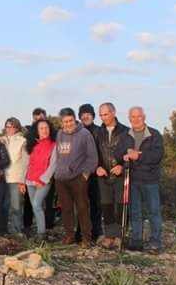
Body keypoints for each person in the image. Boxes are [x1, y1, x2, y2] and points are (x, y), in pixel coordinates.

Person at [117, 106, 165, 252]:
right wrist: (123, 156)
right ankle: (136, 240)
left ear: (144, 117)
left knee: (153, 211)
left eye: (139, 116)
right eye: (133, 117)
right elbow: (117, 153)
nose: (136, 119)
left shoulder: (154, 135)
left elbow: (157, 156)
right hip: (132, 179)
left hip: (150, 180)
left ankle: (155, 242)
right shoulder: (125, 136)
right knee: (135, 211)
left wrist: (139, 156)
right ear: (129, 118)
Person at [54, 108, 98, 248]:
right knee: (66, 209)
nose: (68, 124)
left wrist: (85, 174)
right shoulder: (60, 134)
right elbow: (58, 155)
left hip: (78, 178)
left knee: (82, 208)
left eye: (70, 120)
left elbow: (92, 157)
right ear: (61, 123)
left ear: (75, 119)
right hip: (61, 178)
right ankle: (69, 235)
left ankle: (86, 238)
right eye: (65, 121)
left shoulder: (85, 134)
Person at [95, 103, 130, 250]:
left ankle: (120, 237)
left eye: (106, 114)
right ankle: (109, 236)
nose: (104, 117)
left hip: (120, 175)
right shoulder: (97, 132)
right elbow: (93, 153)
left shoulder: (126, 131)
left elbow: (131, 153)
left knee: (120, 206)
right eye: (101, 115)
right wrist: (97, 167)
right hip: (103, 175)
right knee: (107, 206)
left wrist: (122, 166)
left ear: (113, 112)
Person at [21, 119, 57, 241]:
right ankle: (39, 231)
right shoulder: (33, 145)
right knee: (35, 206)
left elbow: (53, 165)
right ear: (37, 130)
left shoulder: (54, 145)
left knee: (37, 204)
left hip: (43, 181)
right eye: (41, 128)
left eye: (46, 128)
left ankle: (41, 234)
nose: (44, 130)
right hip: (30, 180)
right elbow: (27, 165)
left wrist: (42, 180)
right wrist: (23, 181)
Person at [0, 117, 27, 235]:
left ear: (17, 128)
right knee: (4, 206)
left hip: (16, 179)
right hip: (3, 178)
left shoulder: (22, 141)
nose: (9, 129)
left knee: (16, 207)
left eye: (12, 126)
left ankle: (17, 231)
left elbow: (26, 163)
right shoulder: (1, 140)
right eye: (7, 126)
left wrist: (23, 180)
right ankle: (4, 230)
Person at [78, 103, 102, 241]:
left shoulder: (99, 131)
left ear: (93, 116)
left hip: (96, 174)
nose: (85, 116)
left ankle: (97, 231)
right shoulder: (77, 132)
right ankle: (80, 232)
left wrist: (98, 166)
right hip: (80, 175)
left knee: (96, 204)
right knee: (81, 205)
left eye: (88, 114)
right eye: (83, 114)